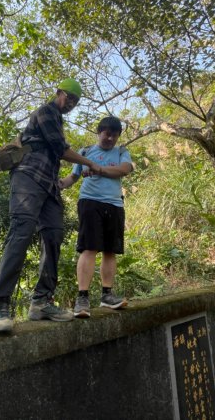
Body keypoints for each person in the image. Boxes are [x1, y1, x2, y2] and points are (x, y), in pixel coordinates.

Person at [0, 78, 102, 333]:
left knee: (54, 234)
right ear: (58, 92)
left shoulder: (58, 121)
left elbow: (56, 155)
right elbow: (61, 150)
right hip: (28, 176)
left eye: (75, 101)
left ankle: (41, 301)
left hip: (49, 184)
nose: (70, 103)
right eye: (68, 97)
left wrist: (70, 178)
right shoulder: (45, 112)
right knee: (21, 231)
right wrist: (89, 163)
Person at [59, 116, 133, 318]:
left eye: (115, 135)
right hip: (90, 202)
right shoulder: (84, 152)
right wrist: (59, 184)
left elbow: (124, 170)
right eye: (107, 134)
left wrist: (99, 169)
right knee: (89, 247)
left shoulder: (121, 152)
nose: (110, 139)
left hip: (115, 204)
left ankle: (107, 295)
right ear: (99, 132)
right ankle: (82, 298)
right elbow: (72, 177)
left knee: (111, 250)